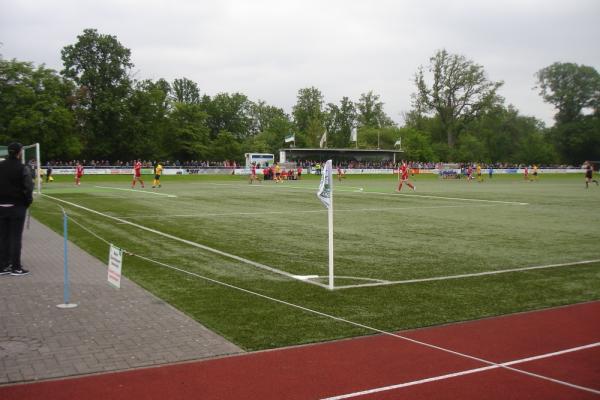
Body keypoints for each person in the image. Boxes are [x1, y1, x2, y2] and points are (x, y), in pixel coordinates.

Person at [0, 143, 33, 276]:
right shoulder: (23, 168)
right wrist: (27, 201)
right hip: (17, 206)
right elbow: (28, 187)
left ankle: (2, 265)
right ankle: (15, 267)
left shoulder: (1, 166)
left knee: (3, 236)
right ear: (19, 153)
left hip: (1, 206)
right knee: (15, 237)